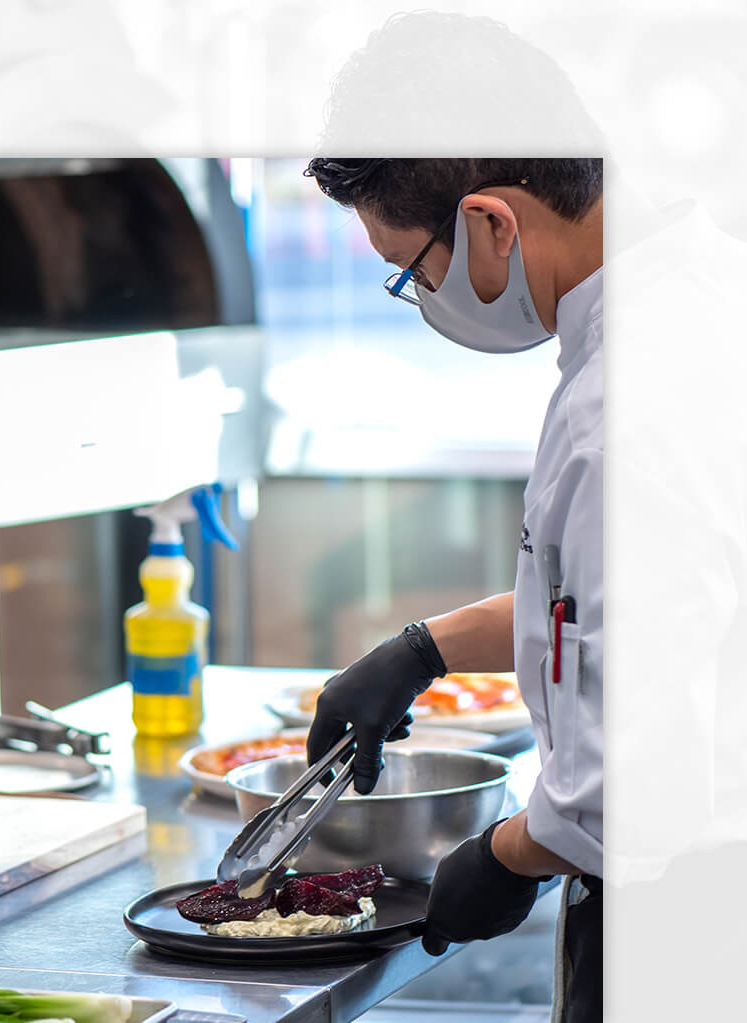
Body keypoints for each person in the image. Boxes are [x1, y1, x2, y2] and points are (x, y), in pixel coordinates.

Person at [303, 158, 602, 1023]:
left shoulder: (621, 414)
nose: (423, 296)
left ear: (493, 225)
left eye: (414, 269)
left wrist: (505, 856)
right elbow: (624, 611)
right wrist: (424, 647)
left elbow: (625, 779)